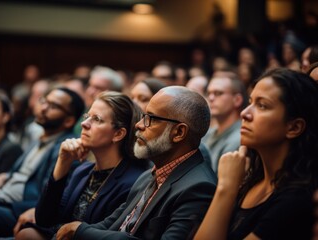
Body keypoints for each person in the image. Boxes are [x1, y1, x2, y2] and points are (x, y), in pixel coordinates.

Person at [55, 86, 217, 240]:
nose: (139, 125)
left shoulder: (198, 187)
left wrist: (80, 231)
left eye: (151, 119)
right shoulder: (148, 175)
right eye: (143, 117)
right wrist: (76, 230)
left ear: (179, 132)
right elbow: (111, 224)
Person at [194, 68, 318, 239]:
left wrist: (226, 188)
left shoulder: (295, 199)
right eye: (251, 102)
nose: (245, 113)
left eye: (262, 105)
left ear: (294, 127)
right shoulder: (249, 180)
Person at [15, 91, 149, 239]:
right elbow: (45, 219)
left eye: (97, 119)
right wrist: (63, 162)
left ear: (118, 134)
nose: (84, 124)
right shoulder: (83, 171)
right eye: (87, 116)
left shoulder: (133, 182)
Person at [0, 87, 85, 240]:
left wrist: (31, 208)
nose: (43, 108)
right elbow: (17, 172)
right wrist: (5, 176)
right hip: (3, 198)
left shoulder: (65, 149)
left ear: (69, 120)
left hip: (23, 207)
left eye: (53, 106)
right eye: (44, 101)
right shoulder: (38, 139)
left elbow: (50, 194)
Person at [202, 71, 248, 173]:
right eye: (208, 93)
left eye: (218, 93)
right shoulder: (209, 132)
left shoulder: (240, 138)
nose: (211, 98)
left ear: (237, 100)